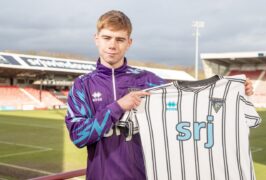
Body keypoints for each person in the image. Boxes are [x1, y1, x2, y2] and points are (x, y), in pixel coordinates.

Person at [65, 10, 254, 180]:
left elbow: (189, 98)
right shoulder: (82, 86)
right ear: (96, 39)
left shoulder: (147, 80)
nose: (112, 45)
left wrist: (232, 90)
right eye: (107, 38)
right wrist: (118, 107)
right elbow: (79, 137)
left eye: (120, 39)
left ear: (129, 43)